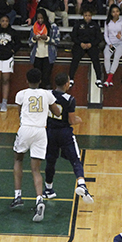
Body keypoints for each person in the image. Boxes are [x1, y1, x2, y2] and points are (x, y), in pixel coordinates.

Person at [11, 68, 61, 222]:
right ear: (40, 80)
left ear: (26, 80)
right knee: (36, 169)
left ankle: (18, 196)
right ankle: (39, 198)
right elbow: (58, 113)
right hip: (41, 132)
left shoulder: (21, 94)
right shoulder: (47, 94)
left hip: (25, 129)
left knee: (18, 160)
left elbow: (19, 113)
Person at [44, 73, 94, 204]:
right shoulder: (70, 99)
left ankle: (48, 189)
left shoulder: (48, 94)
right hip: (64, 132)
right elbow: (71, 120)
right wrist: (77, 120)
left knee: (51, 161)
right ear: (66, 84)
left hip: (50, 132)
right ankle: (82, 184)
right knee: (75, 159)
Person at [0, 15, 22, 112]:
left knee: (6, 80)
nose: (5, 23)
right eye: (3, 21)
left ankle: (4, 103)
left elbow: (18, 43)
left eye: (6, 21)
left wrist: (13, 50)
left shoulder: (12, 32)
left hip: (8, 58)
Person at [69, 8, 104, 88]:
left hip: (92, 45)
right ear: (83, 16)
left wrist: (91, 44)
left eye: (89, 16)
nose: (87, 17)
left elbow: (99, 37)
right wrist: (80, 43)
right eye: (85, 15)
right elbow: (73, 36)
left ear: (91, 16)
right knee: (75, 59)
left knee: (95, 59)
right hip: (80, 45)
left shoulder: (95, 25)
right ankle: (71, 78)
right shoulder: (78, 24)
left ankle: (98, 79)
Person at [28, 9, 60, 89]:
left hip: (48, 55)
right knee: (37, 77)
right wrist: (34, 39)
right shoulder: (33, 27)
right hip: (37, 55)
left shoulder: (53, 27)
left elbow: (57, 41)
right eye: (38, 18)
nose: (40, 20)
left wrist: (47, 39)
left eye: (42, 18)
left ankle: (47, 94)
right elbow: (29, 43)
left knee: (46, 77)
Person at [103, 5, 122, 87]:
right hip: (110, 43)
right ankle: (110, 78)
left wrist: (120, 37)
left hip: (120, 43)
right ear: (111, 13)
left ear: (119, 12)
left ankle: (109, 78)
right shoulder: (107, 22)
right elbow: (106, 35)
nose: (115, 13)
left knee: (116, 57)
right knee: (106, 57)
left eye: (117, 11)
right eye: (113, 12)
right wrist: (109, 44)